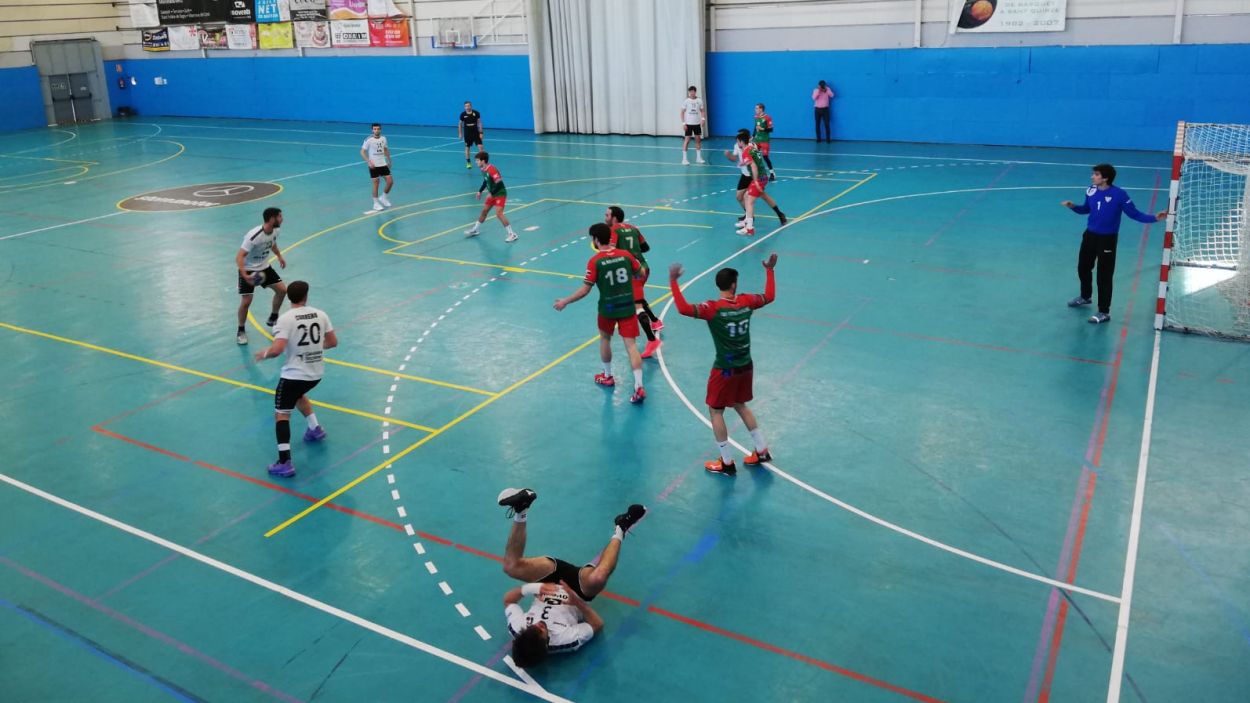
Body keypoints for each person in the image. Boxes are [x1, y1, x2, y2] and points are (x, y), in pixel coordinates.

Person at [496, 487, 646, 667]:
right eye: (543, 631)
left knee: (510, 566)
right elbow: (597, 625)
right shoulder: (565, 641)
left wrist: (535, 588)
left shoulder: (518, 629)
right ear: (546, 645)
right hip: (576, 590)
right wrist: (577, 602)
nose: (541, 624)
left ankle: (521, 509)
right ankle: (621, 527)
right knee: (598, 578)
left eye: (534, 626)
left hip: (548, 579)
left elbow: (508, 601)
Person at [669, 254, 777, 476]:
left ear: (719, 285)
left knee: (715, 410)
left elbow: (683, 308)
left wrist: (673, 282)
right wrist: (769, 270)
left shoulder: (713, 308)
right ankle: (762, 449)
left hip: (724, 369)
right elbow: (769, 296)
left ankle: (727, 462)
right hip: (746, 364)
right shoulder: (747, 302)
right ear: (734, 284)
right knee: (740, 404)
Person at [1061, 163, 1166, 324]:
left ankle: (1104, 311)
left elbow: (1135, 214)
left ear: (1105, 178)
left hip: (1107, 239)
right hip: (1089, 235)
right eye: (1093, 174)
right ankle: (1085, 296)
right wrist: (1073, 207)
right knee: (1083, 267)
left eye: (1096, 174)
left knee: (1104, 275)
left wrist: (1155, 218)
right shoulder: (1091, 190)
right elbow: (1086, 209)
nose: (1092, 177)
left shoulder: (1120, 195)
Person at [553, 223, 646, 404]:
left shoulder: (595, 261)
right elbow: (641, 273)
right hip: (627, 306)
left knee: (605, 339)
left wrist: (565, 301)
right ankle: (639, 386)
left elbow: (585, 290)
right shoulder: (626, 255)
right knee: (632, 346)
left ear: (596, 240)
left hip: (608, 308)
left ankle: (608, 376)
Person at [253, 280, 337, 478]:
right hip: (315, 373)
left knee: (281, 414)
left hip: (294, 374)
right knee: (298, 395)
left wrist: (263, 354)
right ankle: (315, 428)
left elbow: (277, 349)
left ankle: (284, 462)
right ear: (306, 296)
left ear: (288, 298)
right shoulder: (321, 314)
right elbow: (332, 342)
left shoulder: (285, 319)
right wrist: (313, 349)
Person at [606, 206, 662, 359]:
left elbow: (610, 251)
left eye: (607, 215)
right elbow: (645, 248)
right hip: (644, 267)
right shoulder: (633, 228)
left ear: (614, 217)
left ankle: (652, 340)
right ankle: (656, 321)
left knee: (636, 306)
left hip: (633, 272)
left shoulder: (614, 229)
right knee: (635, 298)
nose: (605, 217)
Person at [235, 207, 288, 345]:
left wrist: (279, 256)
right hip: (248, 270)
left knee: (282, 290)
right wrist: (244, 274)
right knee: (246, 302)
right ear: (271, 219)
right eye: (280, 216)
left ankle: (273, 317)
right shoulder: (254, 236)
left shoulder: (276, 230)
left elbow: (272, 243)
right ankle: (241, 330)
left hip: (264, 268)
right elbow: (240, 256)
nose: (282, 219)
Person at [724, 129, 786, 236]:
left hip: (757, 178)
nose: (737, 142)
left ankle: (749, 228)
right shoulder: (753, 147)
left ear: (742, 141)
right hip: (762, 176)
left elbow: (753, 165)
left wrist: (756, 181)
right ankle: (752, 222)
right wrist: (744, 163)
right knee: (753, 197)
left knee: (749, 200)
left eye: (738, 140)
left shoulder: (746, 150)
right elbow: (755, 160)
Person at [465, 151, 519, 242]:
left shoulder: (492, 169)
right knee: (484, 211)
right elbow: (486, 181)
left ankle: (512, 234)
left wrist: (491, 193)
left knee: (499, 213)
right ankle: (475, 230)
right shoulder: (483, 169)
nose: (476, 162)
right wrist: (480, 191)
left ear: (483, 161)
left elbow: (499, 183)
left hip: (500, 194)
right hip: (493, 194)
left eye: (478, 160)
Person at [361, 122, 393, 211]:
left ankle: (383, 197)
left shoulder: (384, 138)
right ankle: (375, 203)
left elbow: (385, 149)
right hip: (373, 165)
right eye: (374, 129)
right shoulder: (368, 139)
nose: (376, 130)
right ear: (372, 130)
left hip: (383, 164)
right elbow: (362, 152)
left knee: (390, 181)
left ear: (380, 129)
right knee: (376, 183)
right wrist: (368, 161)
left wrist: (389, 160)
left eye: (378, 129)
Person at [680, 85, 706, 165]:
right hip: (689, 124)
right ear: (689, 92)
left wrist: (703, 119)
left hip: (697, 124)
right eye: (690, 92)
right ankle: (684, 159)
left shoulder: (699, 101)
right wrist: (684, 123)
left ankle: (698, 158)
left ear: (695, 92)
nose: (691, 93)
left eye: (693, 91)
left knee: (698, 140)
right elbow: (682, 112)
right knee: (687, 141)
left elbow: (702, 111)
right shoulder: (686, 101)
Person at [752, 103, 776, 182]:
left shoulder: (767, 118)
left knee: (765, 157)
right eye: (755, 108)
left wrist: (762, 129)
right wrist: (752, 136)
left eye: (756, 108)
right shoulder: (756, 117)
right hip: (757, 140)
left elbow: (771, 130)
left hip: (764, 140)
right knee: (755, 156)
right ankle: (758, 173)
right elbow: (755, 128)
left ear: (761, 109)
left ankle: (772, 173)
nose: (755, 110)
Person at [458, 101, 484, 169]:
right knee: (467, 148)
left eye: (468, 106)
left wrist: (481, 132)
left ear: (471, 106)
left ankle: (482, 162)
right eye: (466, 106)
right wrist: (460, 134)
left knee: (480, 147)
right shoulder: (462, 114)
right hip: (467, 133)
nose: (467, 107)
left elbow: (479, 123)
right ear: (464, 107)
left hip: (475, 132)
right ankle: (468, 162)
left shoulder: (476, 113)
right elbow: (460, 124)